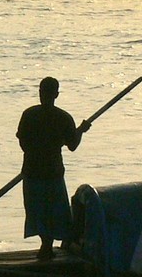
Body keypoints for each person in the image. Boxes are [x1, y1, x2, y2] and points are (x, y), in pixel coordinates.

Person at [17, 77, 91, 260]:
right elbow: (72, 145)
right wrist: (80, 131)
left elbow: (23, 142)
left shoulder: (29, 114)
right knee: (52, 210)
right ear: (56, 94)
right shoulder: (63, 118)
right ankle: (47, 245)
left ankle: (46, 245)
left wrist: (36, 150)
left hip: (34, 171)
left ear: (41, 92)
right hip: (51, 172)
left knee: (38, 210)